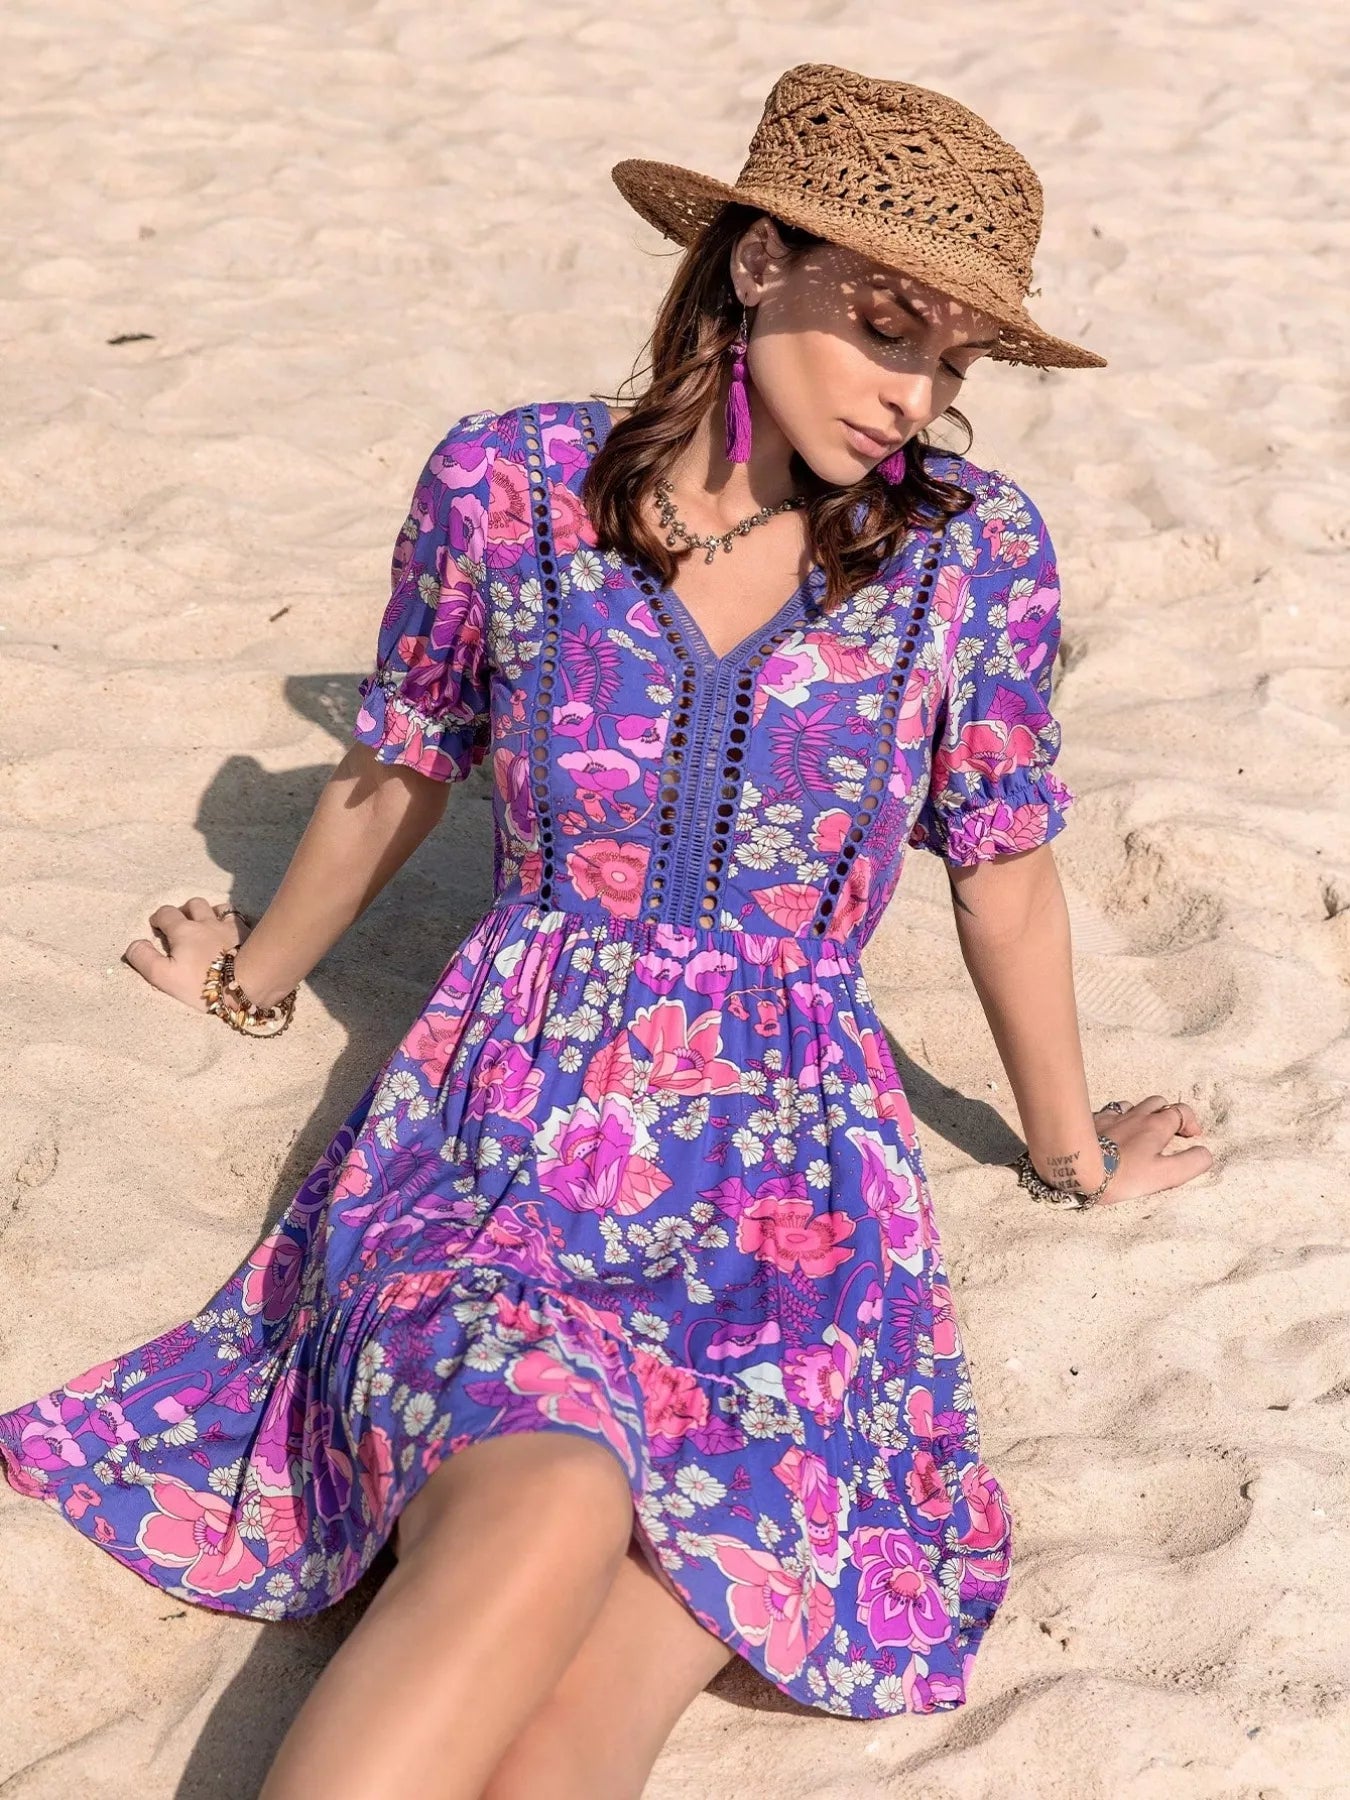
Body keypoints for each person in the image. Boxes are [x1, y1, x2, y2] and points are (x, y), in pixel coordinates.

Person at [0, 62, 1212, 1800]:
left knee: (645, 1632)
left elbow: (1001, 869)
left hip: (795, 1206)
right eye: (886, 329)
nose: (915, 396)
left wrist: (1071, 1154)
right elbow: (400, 762)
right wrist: (251, 979)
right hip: (506, 1135)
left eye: (953, 362)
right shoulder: (511, 483)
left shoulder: (970, 554)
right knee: (550, 1490)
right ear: (753, 262)